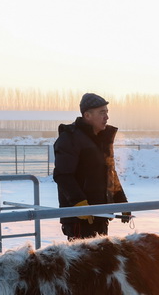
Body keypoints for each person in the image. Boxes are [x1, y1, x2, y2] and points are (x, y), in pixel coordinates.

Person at [53, 92, 130, 240]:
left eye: (107, 112)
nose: (106, 117)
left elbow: (110, 174)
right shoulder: (70, 138)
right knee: (82, 262)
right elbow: (63, 175)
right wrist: (79, 203)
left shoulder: (103, 140)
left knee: (101, 260)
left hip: (101, 214)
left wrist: (122, 204)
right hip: (79, 219)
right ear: (87, 115)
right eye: (102, 113)